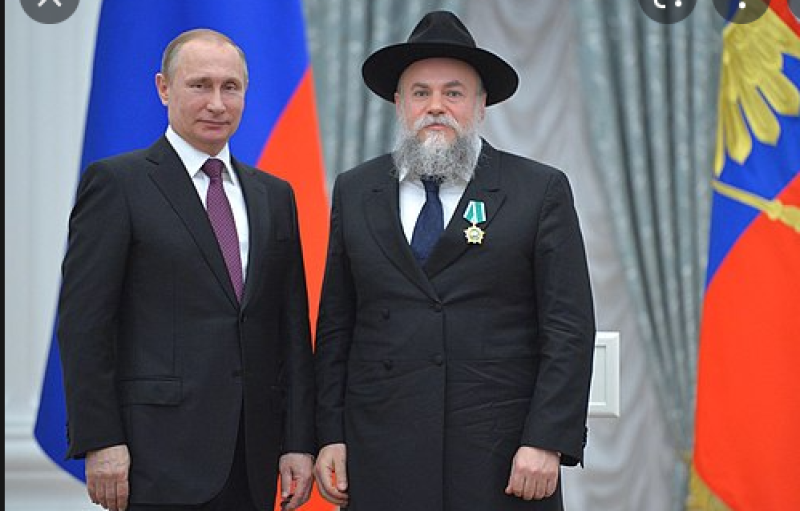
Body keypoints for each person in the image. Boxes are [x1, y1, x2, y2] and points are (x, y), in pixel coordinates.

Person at [313, 10, 596, 511]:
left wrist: (547, 439)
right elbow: (338, 325)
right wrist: (329, 433)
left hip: (501, 459)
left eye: (454, 93)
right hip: (381, 455)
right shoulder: (356, 190)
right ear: (399, 103)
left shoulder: (538, 190)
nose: (436, 107)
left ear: (481, 105)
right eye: (420, 92)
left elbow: (568, 328)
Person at [56, 29, 316, 511]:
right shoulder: (118, 184)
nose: (217, 103)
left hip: (253, 458)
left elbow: (291, 329)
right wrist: (101, 439)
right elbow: (85, 324)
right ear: (163, 88)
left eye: (230, 87)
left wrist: (299, 441)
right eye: (200, 85)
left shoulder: (274, 195)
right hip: (155, 457)